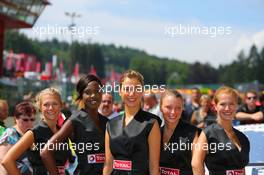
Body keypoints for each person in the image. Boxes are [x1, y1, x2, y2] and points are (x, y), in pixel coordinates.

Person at [41, 74, 108, 175]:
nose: (93, 95)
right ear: (81, 95)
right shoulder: (75, 121)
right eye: (88, 92)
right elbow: (45, 152)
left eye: (97, 91)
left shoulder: (107, 122)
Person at [103, 70, 161, 175]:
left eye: (137, 89)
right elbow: (108, 164)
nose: (132, 93)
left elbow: (154, 166)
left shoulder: (151, 123)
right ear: (120, 91)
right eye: (127, 89)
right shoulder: (110, 125)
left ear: (142, 91)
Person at [2, 88, 71, 175]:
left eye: (55, 103)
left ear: (61, 105)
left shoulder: (63, 132)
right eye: (46, 104)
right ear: (40, 107)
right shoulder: (33, 133)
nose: (51, 108)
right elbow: (7, 161)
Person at [192, 86, 250, 175]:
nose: (227, 108)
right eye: (223, 104)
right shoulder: (208, 133)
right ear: (215, 106)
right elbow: (196, 164)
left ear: (236, 106)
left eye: (231, 104)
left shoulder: (243, 137)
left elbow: (242, 169)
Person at [159, 89, 199, 175]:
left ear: (182, 109)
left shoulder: (193, 133)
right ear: (160, 108)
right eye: (168, 107)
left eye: (178, 108)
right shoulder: (155, 133)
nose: (173, 112)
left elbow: (197, 166)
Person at [0, 101, 36, 175]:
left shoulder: (30, 134)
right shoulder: (10, 134)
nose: (29, 123)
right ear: (16, 118)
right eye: (25, 120)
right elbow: (3, 165)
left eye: (32, 119)